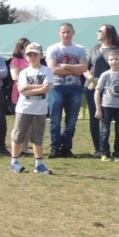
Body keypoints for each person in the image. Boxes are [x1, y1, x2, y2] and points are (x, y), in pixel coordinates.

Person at [86, 24, 119, 157]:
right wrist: (91, 78)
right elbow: (86, 67)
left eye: (100, 31)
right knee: (96, 118)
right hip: (94, 88)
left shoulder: (118, 50)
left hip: (113, 90)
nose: (97, 33)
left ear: (108, 34)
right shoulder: (94, 49)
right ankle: (100, 149)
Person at [9, 42, 54, 174]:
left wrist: (31, 88)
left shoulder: (47, 71)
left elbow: (46, 89)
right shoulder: (23, 73)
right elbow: (22, 90)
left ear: (41, 55)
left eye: (35, 54)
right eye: (29, 55)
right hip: (23, 108)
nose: (32, 57)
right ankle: (15, 162)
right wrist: (39, 88)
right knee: (18, 136)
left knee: (37, 137)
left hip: (40, 110)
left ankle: (39, 164)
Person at [45, 23, 87, 159]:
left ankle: (66, 148)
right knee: (55, 120)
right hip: (56, 88)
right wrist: (74, 68)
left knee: (71, 121)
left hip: (75, 88)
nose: (66, 35)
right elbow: (53, 69)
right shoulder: (53, 49)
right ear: (59, 33)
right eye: (63, 32)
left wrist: (65, 65)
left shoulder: (80, 49)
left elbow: (83, 68)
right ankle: (55, 148)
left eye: (68, 32)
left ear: (73, 33)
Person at [93, 48, 119, 161]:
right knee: (105, 131)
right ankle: (105, 152)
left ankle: (117, 153)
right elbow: (98, 91)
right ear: (108, 61)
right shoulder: (105, 75)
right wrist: (98, 108)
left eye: (116, 59)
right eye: (111, 59)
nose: (114, 61)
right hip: (106, 106)